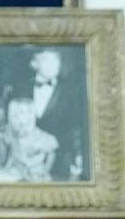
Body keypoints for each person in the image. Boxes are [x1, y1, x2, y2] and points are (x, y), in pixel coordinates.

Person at [22, 46, 88, 181]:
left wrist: (59, 143)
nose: (55, 64)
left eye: (57, 59)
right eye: (47, 60)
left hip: (61, 159)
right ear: (34, 64)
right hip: (26, 159)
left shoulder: (71, 89)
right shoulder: (22, 87)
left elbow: (78, 125)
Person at [0, 93, 59, 183]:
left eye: (24, 113)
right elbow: (2, 158)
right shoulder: (7, 132)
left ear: (32, 114)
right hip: (12, 174)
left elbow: (49, 162)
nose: (19, 117)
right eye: (15, 114)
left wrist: (43, 173)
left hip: (36, 178)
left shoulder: (45, 138)